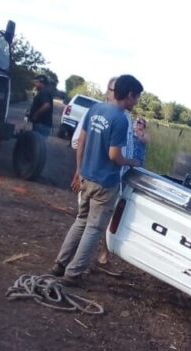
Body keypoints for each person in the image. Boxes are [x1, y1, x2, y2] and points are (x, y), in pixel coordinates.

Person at [50, 74, 144, 286]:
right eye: (136, 97)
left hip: (87, 176)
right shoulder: (120, 119)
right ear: (129, 95)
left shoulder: (95, 109)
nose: (136, 102)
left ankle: (60, 264)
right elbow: (114, 155)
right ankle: (73, 274)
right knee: (93, 229)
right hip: (105, 183)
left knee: (81, 221)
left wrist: (79, 170)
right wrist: (131, 162)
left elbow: (81, 141)